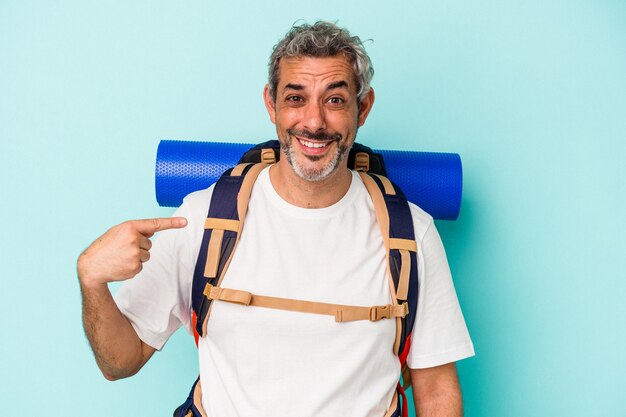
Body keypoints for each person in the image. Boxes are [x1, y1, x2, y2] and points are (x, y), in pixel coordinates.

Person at [78, 21, 474, 416]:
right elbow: (119, 362)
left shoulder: (411, 233)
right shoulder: (201, 220)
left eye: (335, 100)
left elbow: (436, 388)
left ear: (363, 107)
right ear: (272, 104)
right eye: (296, 98)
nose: (314, 122)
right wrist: (92, 280)